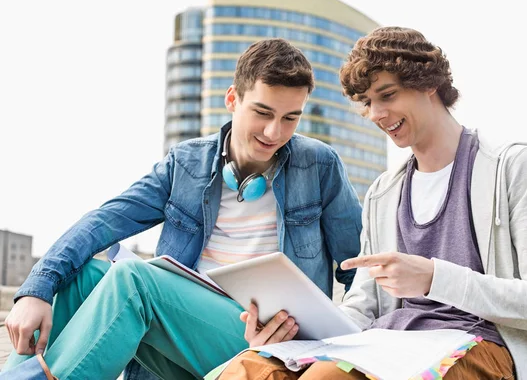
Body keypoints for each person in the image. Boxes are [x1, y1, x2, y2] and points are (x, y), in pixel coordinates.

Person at [220, 27, 527, 380]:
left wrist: (434, 278)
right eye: (367, 103)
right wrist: (291, 332)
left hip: (479, 345)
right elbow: (362, 308)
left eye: (387, 95)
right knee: (248, 368)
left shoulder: (510, 166)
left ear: (429, 84)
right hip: (389, 346)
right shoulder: (383, 192)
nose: (375, 114)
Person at [1, 38, 362, 380]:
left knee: (135, 281)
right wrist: (36, 289)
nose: (273, 131)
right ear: (233, 99)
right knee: (82, 279)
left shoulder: (319, 166)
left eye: (290, 118)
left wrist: (345, 345)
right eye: (263, 112)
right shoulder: (186, 163)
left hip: (273, 345)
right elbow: (103, 222)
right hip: (184, 333)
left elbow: (357, 267)